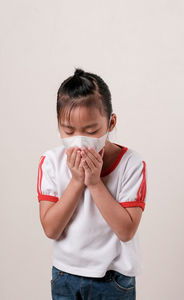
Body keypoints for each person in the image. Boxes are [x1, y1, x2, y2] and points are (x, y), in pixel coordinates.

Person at [36, 67, 148, 300]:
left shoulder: (132, 164)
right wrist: (77, 181)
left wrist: (95, 183)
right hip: (65, 276)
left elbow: (126, 231)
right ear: (58, 125)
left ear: (111, 122)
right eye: (69, 131)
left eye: (91, 130)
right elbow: (51, 229)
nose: (79, 140)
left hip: (114, 279)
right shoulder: (50, 162)